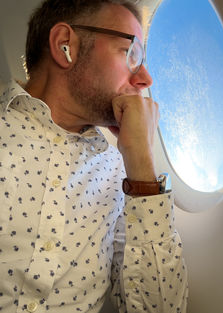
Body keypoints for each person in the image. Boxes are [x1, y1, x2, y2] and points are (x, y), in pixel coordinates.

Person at [0, 0, 188, 312]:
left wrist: (141, 162)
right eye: (131, 54)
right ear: (65, 46)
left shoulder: (120, 176)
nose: (146, 79)